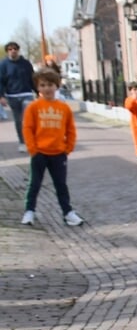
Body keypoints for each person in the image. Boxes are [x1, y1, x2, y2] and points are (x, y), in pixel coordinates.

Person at [20, 67, 82, 227]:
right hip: (39, 153)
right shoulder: (33, 107)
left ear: (57, 86)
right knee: (35, 184)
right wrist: (33, 149)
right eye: (43, 85)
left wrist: (68, 148)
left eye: (50, 85)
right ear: (38, 87)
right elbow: (27, 128)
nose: (47, 88)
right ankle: (29, 211)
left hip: (58, 153)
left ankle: (67, 212)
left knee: (61, 184)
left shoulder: (64, 108)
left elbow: (70, 129)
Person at [1, 41, 36, 151]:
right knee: (18, 120)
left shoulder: (25, 63)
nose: (13, 51)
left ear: (18, 50)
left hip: (26, 93)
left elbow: (32, 78)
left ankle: (31, 140)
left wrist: (38, 91)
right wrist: (1, 96)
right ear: (7, 51)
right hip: (12, 96)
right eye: (10, 49)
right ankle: (22, 142)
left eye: (15, 49)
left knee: (28, 118)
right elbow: (1, 81)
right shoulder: (3, 64)